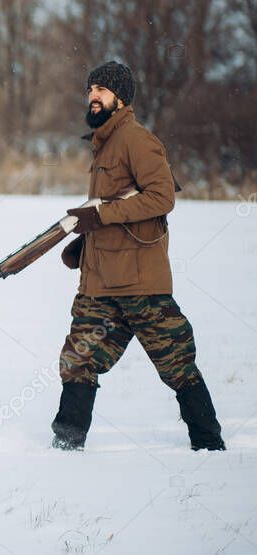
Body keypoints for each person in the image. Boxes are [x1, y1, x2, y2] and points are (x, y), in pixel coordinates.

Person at [51, 60, 226, 452]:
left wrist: (103, 215)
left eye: (101, 89)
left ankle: (209, 446)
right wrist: (85, 240)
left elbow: (161, 197)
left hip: (139, 285)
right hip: (99, 284)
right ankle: (65, 449)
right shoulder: (104, 144)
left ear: (121, 98)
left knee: (176, 362)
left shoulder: (137, 140)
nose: (93, 96)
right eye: (90, 89)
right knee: (78, 359)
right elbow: (108, 209)